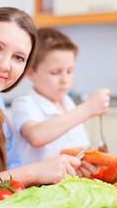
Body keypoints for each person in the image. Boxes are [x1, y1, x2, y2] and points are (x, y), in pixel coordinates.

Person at [0, 7, 98, 191]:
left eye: (18, 57)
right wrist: (34, 172)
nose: (5, 65)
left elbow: (12, 169)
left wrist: (49, 167)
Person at [11, 27, 111, 165]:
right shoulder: (25, 103)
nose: (65, 79)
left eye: (69, 71)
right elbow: (36, 136)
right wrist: (88, 108)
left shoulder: (67, 102)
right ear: (30, 73)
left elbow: (79, 146)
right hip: (39, 185)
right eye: (55, 72)